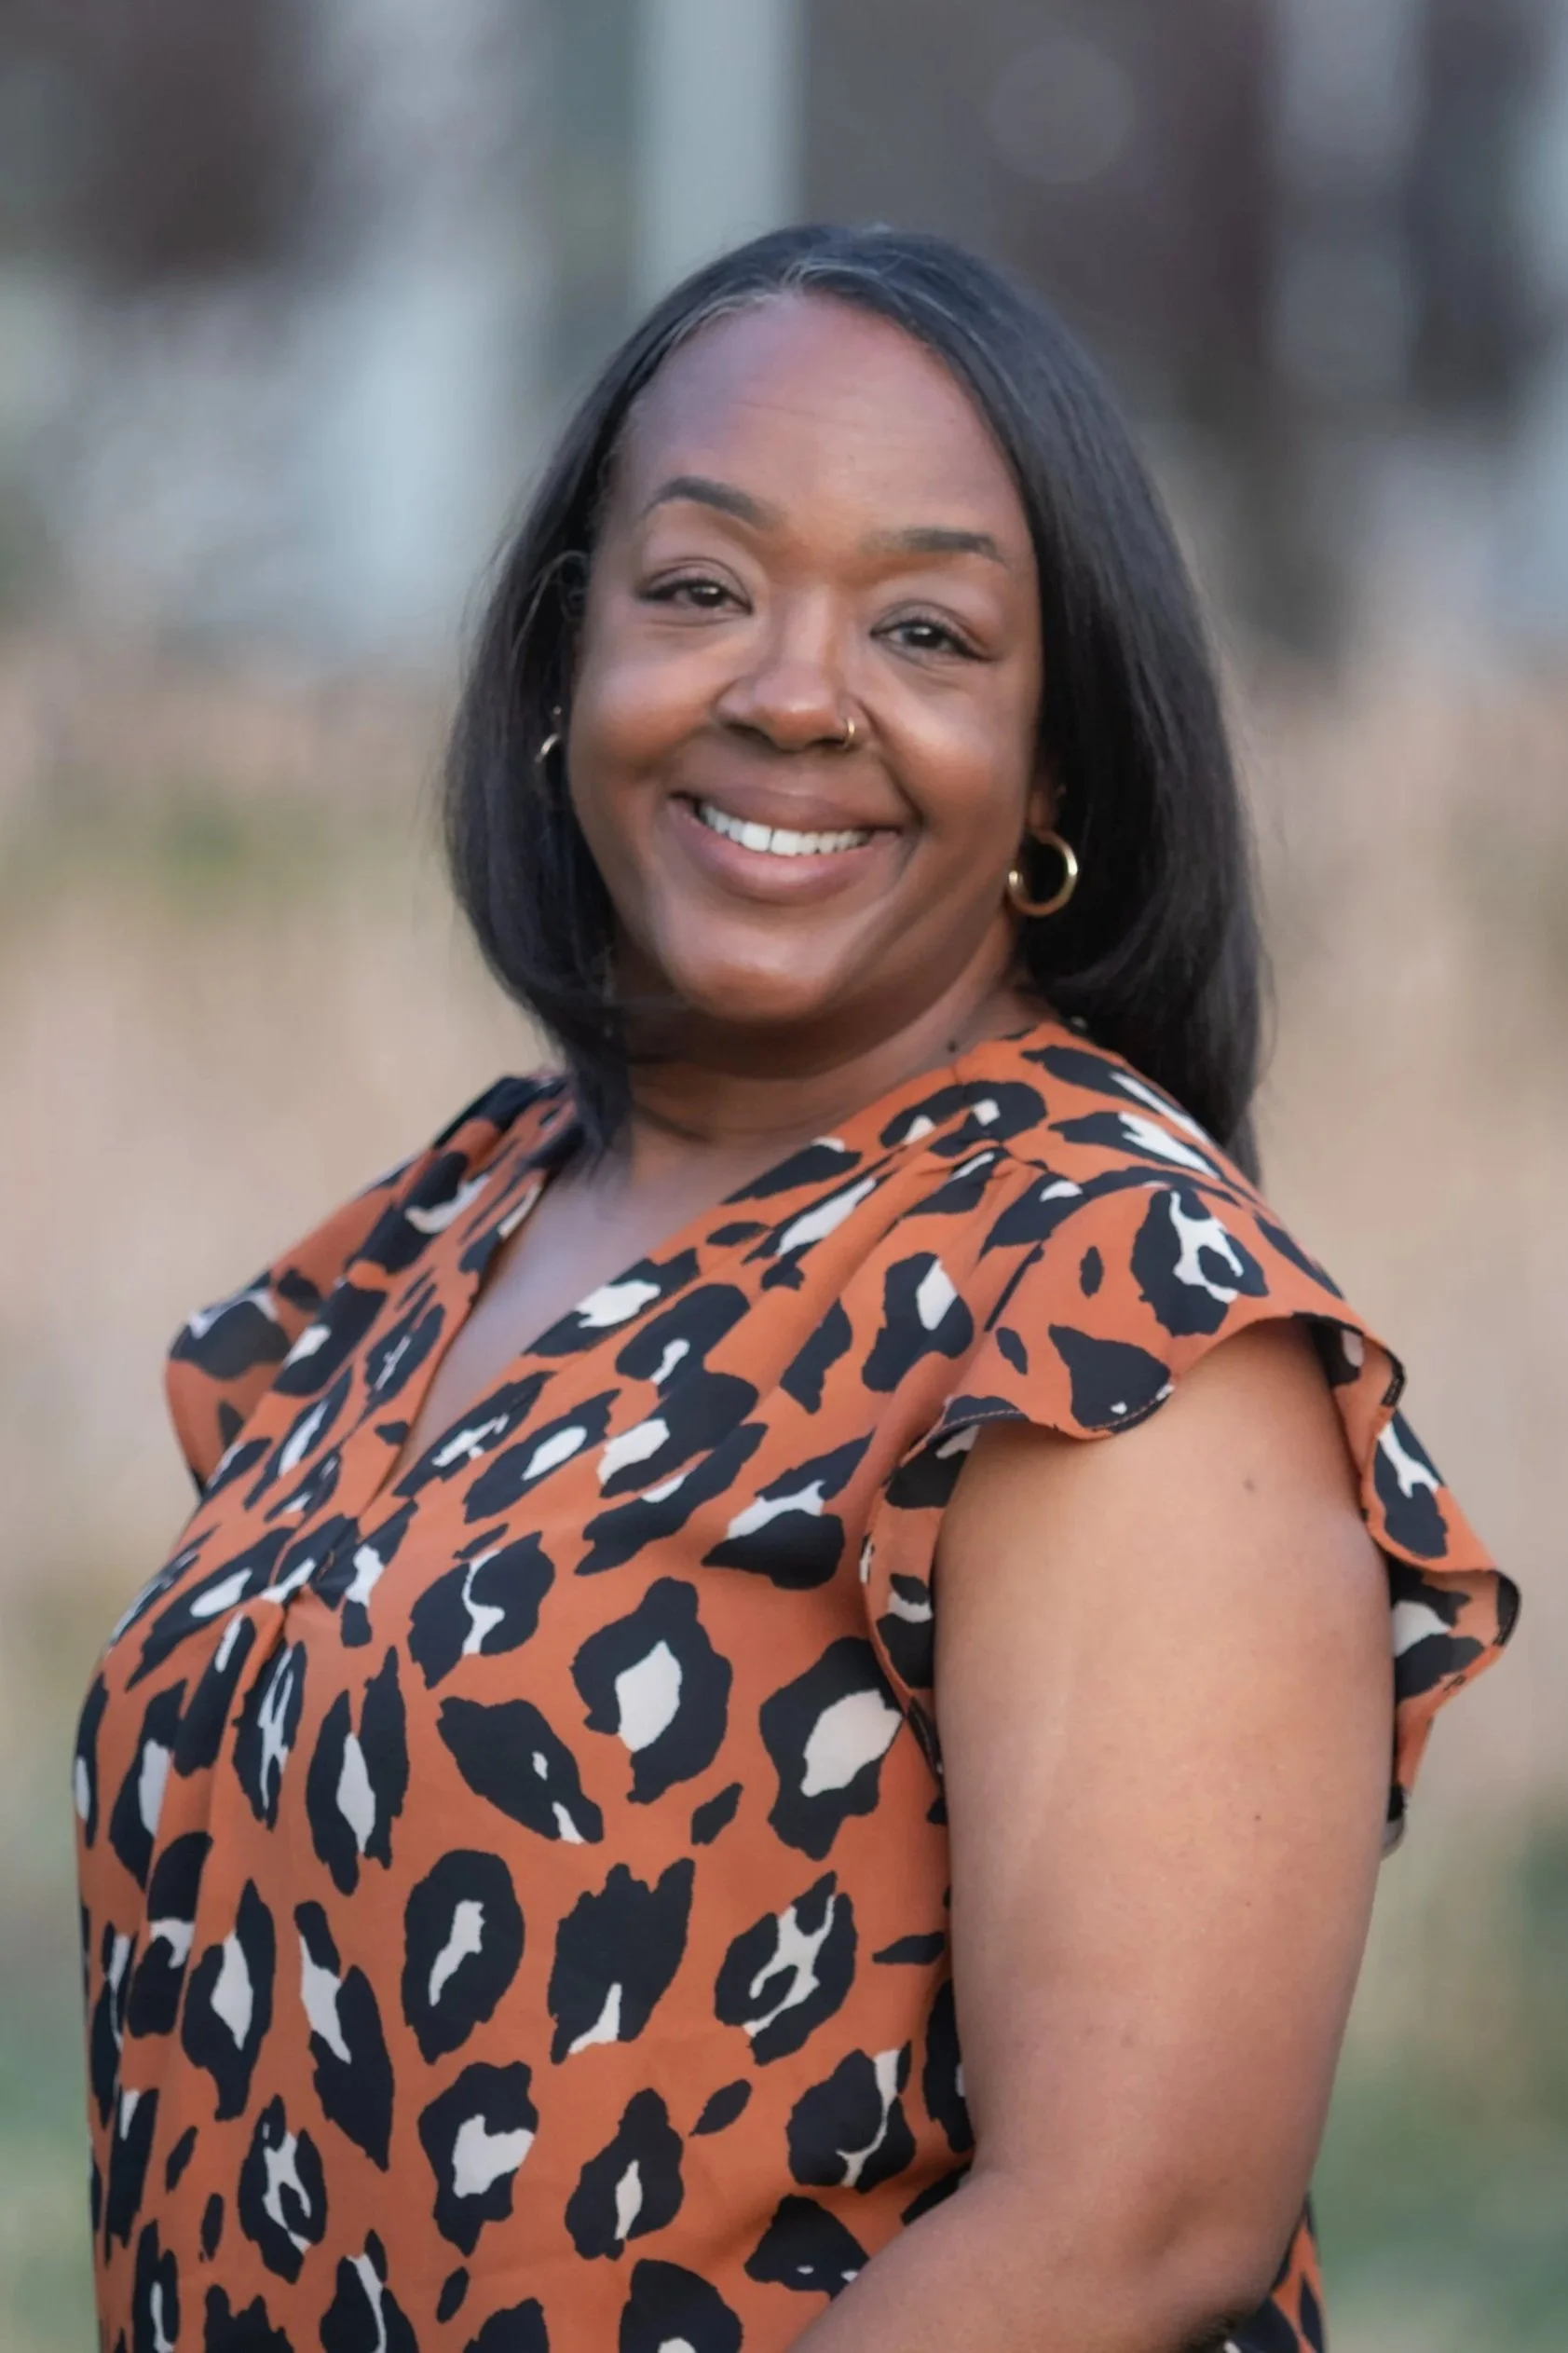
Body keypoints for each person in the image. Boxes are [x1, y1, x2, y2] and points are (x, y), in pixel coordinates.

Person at [77, 225, 1515, 2353]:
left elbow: (1131, 2226)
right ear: (567, 654)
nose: (791, 690)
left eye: (928, 629)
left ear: (1054, 768)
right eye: (699, 588)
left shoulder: (1108, 1305)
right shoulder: (446, 1223)